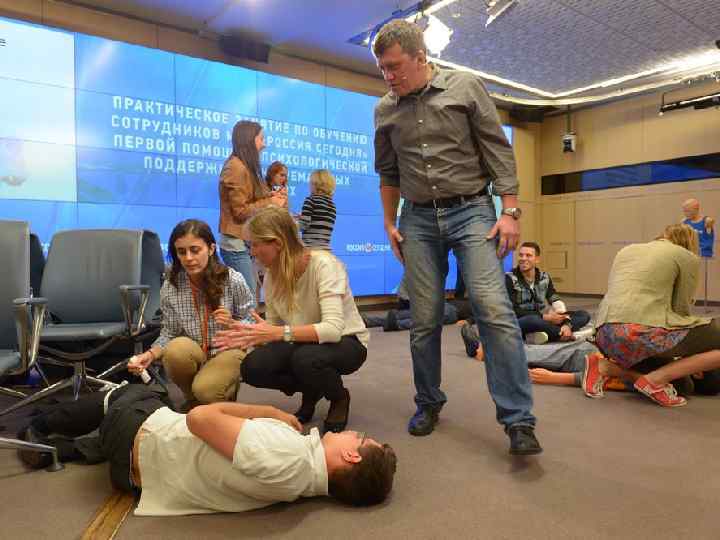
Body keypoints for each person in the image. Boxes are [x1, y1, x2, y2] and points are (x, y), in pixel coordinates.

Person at [372, 19, 541, 455]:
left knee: (493, 309)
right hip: (417, 219)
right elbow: (388, 173)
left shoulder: (465, 87)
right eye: (382, 68)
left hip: (472, 211)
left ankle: (518, 420)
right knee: (424, 318)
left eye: (394, 66)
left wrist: (511, 210)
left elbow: (496, 149)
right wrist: (389, 223)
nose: (388, 76)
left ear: (420, 57)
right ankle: (428, 402)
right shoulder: (385, 109)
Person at [16, 384, 398, 514]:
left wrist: (267, 411)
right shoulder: (299, 480)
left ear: (351, 456)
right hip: (139, 477)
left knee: (138, 393)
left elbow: (199, 417)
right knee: (161, 402)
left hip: (137, 442)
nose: (355, 433)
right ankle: (67, 450)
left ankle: (37, 429)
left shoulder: (289, 454)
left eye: (360, 438)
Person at [215, 207, 369, 434]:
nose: (252, 252)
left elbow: (333, 329)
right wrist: (248, 334)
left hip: (347, 341)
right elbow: (275, 330)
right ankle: (313, 388)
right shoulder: (271, 276)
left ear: (277, 243)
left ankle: (338, 397)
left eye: (255, 245)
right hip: (302, 343)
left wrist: (277, 333)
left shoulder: (324, 265)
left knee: (305, 359)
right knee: (253, 367)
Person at [584, 224, 720, 406]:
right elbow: (681, 310)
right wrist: (690, 351)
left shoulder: (627, 250)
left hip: (605, 335)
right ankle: (654, 381)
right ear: (690, 243)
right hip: (641, 333)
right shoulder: (686, 256)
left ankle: (605, 367)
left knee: (682, 386)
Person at [127, 219, 254, 407]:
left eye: (195, 250)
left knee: (207, 390)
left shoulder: (232, 279)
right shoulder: (171, 285)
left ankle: (214, 398)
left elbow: (253, 323)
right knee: (175, 351)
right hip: (195, 351)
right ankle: (194, 400)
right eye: (181, 252)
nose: (188, 258)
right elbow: (170, 333)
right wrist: (150, 355)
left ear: (211, 249)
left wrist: (233, 324)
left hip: (229, 349)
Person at [219, 121, 288, 297]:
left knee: (251, 296)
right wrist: (271, 202)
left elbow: (251, 201)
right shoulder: (236, 167)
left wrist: (271, 197)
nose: (264, 145)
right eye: (261, 139)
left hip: (243, 241)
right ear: (249, 139)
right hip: (235, 243)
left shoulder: (243, 166)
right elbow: (240, 211)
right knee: (247, 298)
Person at [506, 242, 591, 344]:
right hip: (520, 321)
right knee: (533, 320)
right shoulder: (509, 278)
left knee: (583, 315)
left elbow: (554, 298)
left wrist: (564, 321)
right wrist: (546, 317)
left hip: (543, 320)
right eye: (521, 255)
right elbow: (513, 311)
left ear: (537, 259)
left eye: (528, 255)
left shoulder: (544, 277)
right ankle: (564, 334)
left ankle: (548, 333)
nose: (523, 258)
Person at [298, 169, 337, 250]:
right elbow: (319, 221)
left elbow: (303, 225)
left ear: (315, 184)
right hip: (326, 251)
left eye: (310, 183)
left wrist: (289, 223)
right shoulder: (332, 205)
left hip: (311, 250)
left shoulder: (311, 200)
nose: (309, 185)